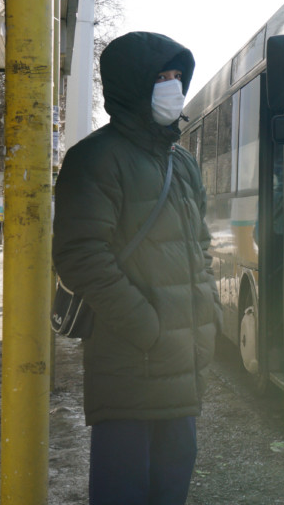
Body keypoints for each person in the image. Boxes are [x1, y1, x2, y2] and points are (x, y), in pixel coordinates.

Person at [52, 32, 220, 505]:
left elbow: (200, 249)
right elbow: (81, 256)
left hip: (182, 364)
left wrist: (205, 312)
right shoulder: (94, 159)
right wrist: (149, 327)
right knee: (124, 490)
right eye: (160, 78)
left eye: (176, 77)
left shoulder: (182, 163)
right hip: (130, 362)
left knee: (171, 490)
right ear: (130, 85)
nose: (173, 87)